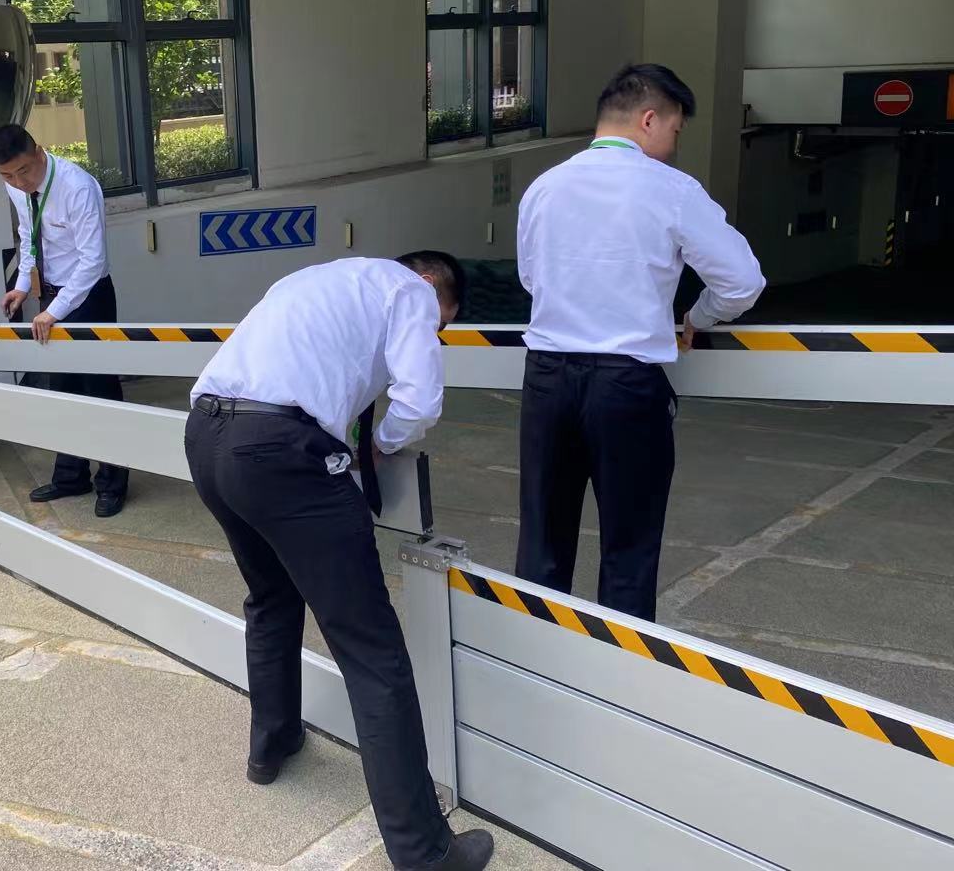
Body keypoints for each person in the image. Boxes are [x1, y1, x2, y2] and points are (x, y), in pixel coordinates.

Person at [184, 254, 495, 871]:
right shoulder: (409, 291)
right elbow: (419, 402)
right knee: (373, 652)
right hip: (279, 451)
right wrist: (379, 445)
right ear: (431, 286)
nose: (434, 335)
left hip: (206, 435)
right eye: (441, 326)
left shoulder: (317, 280)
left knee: (270, 598)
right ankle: (425, 853)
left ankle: (272, 743)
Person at [515, 63, 765, 621]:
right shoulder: (670, 190)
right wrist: (698, 315)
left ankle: (531, 663)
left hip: (547, 381)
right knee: (629, 549)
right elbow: (742, 281)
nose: (673, 145)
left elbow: (532, 279)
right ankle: (618, 670)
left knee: (541, 544)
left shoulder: (544, 187)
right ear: (649, 119)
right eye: (675, 130)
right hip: (626, 388)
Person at [0, 123, 129, 519]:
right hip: (50, 297)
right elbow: (28, 236)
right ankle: (71, 476)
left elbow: (93, 261)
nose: (19, 182)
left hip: (87, 295)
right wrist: (22, 286)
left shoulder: (77, 187)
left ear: (39, 152)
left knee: (100, 391)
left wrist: (55, 310)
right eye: (7, 176)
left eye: (24, 171)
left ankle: (112, 482)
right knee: (62, 389)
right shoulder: (16, 187)